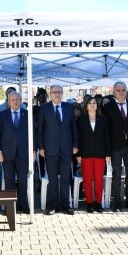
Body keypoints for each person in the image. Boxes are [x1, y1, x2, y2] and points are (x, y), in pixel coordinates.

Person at [37, 85, 78, 215]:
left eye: (59, 92)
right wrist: (41, 147)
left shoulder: (68, 108)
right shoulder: (44, 109)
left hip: (66, 148)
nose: (57, 94)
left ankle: (66, 205)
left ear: (62, 94)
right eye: (54, 92)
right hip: (50, 149)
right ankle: (52, 206)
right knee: (53, 179)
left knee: (66, 178)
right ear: (50, 94)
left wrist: (75, 145)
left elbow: (73, 128)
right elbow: (40, 131)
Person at [103, 82, 128, 212]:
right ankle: (117, 202)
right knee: (116, 175)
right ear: (114, 92)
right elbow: (106, 130)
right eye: (118, 90)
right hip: (115, 146)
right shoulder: (107, 107)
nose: (121, 92)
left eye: (123, 90)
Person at [0, 91, 30, 214]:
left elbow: (33, 134)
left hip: (23, 153)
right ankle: (10, 207)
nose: (15, 102)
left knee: (23, 181)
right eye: (13, 100)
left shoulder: (27, 114)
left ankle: (23, 205)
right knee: (9, 181)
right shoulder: (2, 115)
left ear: (21, 101)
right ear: (8, 102)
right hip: (7, 154)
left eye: (17, 100)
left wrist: (33, 150)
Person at [76, 96, 111, 213]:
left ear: (97, 106)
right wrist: (78, 154)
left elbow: (107, 137)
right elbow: (78, 138)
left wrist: (108, 154)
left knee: (98, 180)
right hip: (86, 153)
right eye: (90, 103)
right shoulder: (81, 119)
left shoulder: (103, 119)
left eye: (94, 103)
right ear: (86, 106)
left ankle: (99, 203)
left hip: (100, 154)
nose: (92, 105)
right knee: (87, 179)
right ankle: (89, 203)